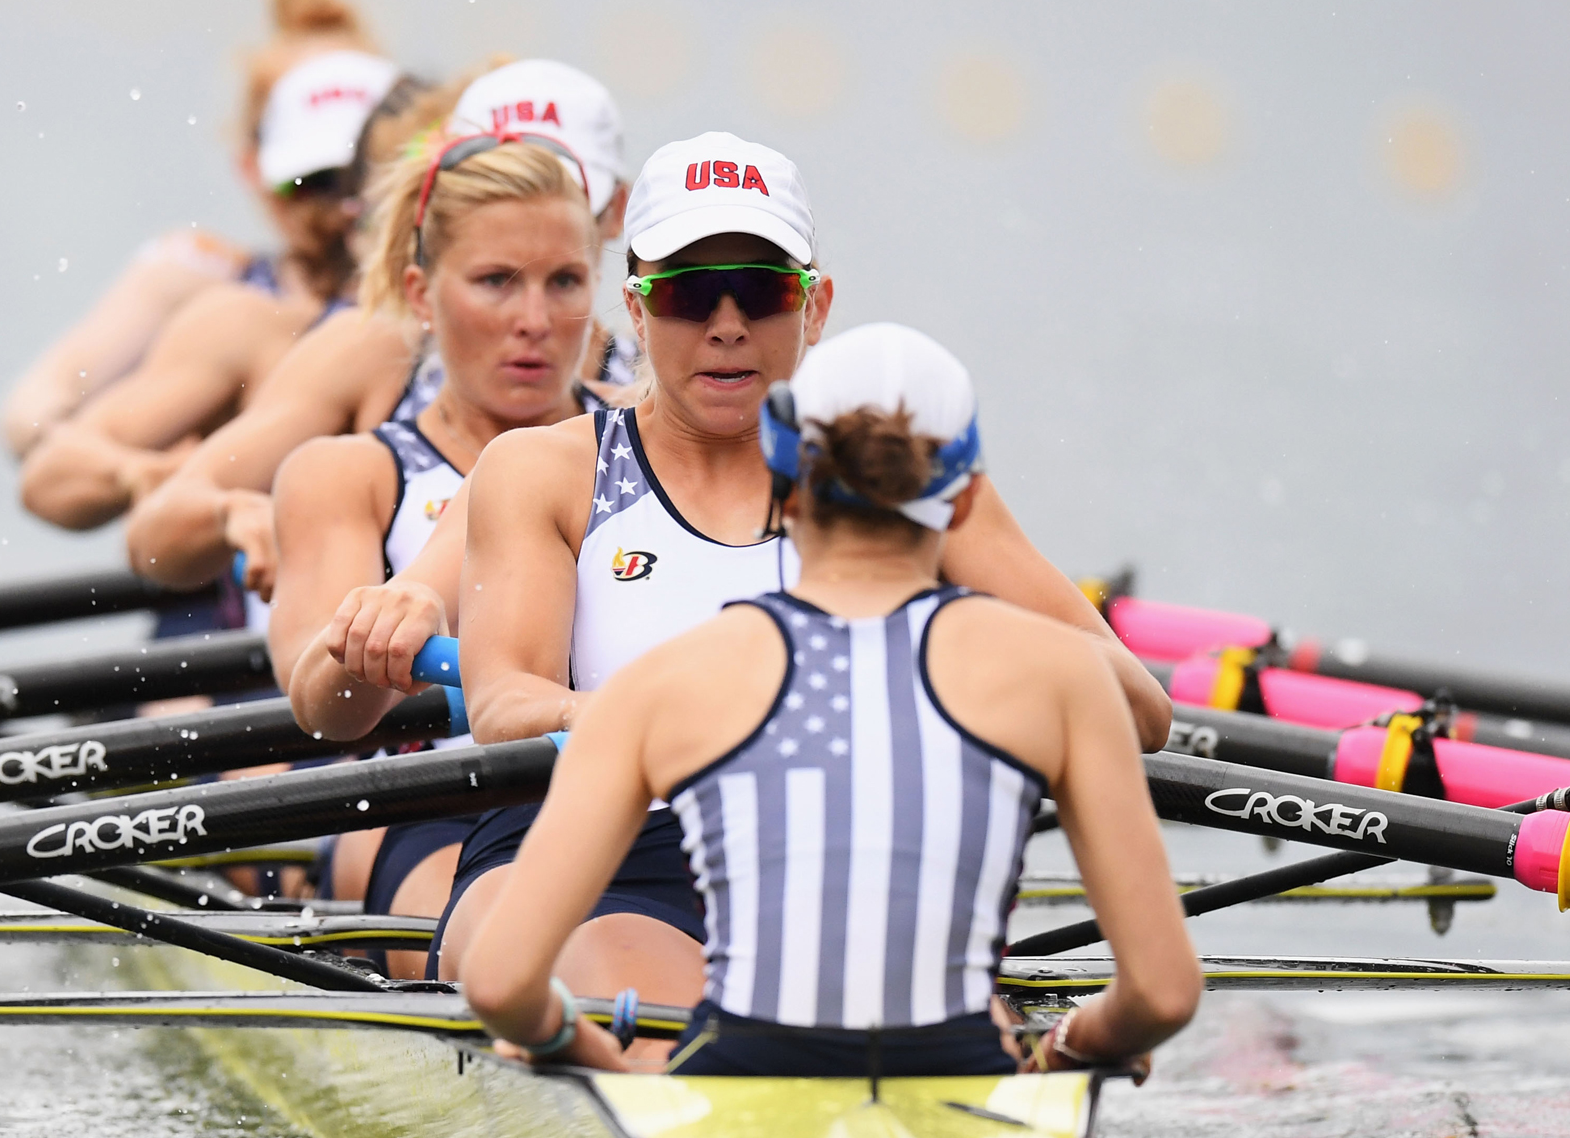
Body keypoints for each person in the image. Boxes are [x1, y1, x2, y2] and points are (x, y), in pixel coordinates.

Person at [433, 131, 1173, 1005]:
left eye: (762, 291)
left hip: (822, 855)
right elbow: (504, 705)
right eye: (688, 294)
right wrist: (670, 725)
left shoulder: (903, 480)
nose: (727, 324)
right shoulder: (545, 471)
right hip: (589, 845)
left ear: (815, 307)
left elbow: (1139, 710)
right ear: (635, 310)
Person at [458, 324, 1202, 1075]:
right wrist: (1068, 1049)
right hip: (967, 1079)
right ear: (968, 494)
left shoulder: (665, 684)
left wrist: (576, 1048)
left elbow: (500, 981)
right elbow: (1163, 996)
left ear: (782, 484)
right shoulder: (1066, 678)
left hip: (737, 1084)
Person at [266, 125, 603, 966]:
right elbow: (327, 720)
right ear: (420, 294)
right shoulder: (352, 475)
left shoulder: (652, 437)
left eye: (565, 282)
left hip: (639, 804)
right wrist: (372, 636)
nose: (535, 320)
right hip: (430, 809)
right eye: (496, 282)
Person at [125, 59, 638, 602]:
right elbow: (152, 541)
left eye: (569, 191)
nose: (534, 319)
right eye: (501, 188)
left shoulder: (658, 382)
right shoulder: (373, 350)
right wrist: (229, 512)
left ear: (614, 213)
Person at [15, 42, 402, 530]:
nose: (339, 208)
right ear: (255, 171)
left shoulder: (487, 321)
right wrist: (142, 472)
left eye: (358, 182)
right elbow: (30, 432)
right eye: (313, 182)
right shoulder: (219, 298)